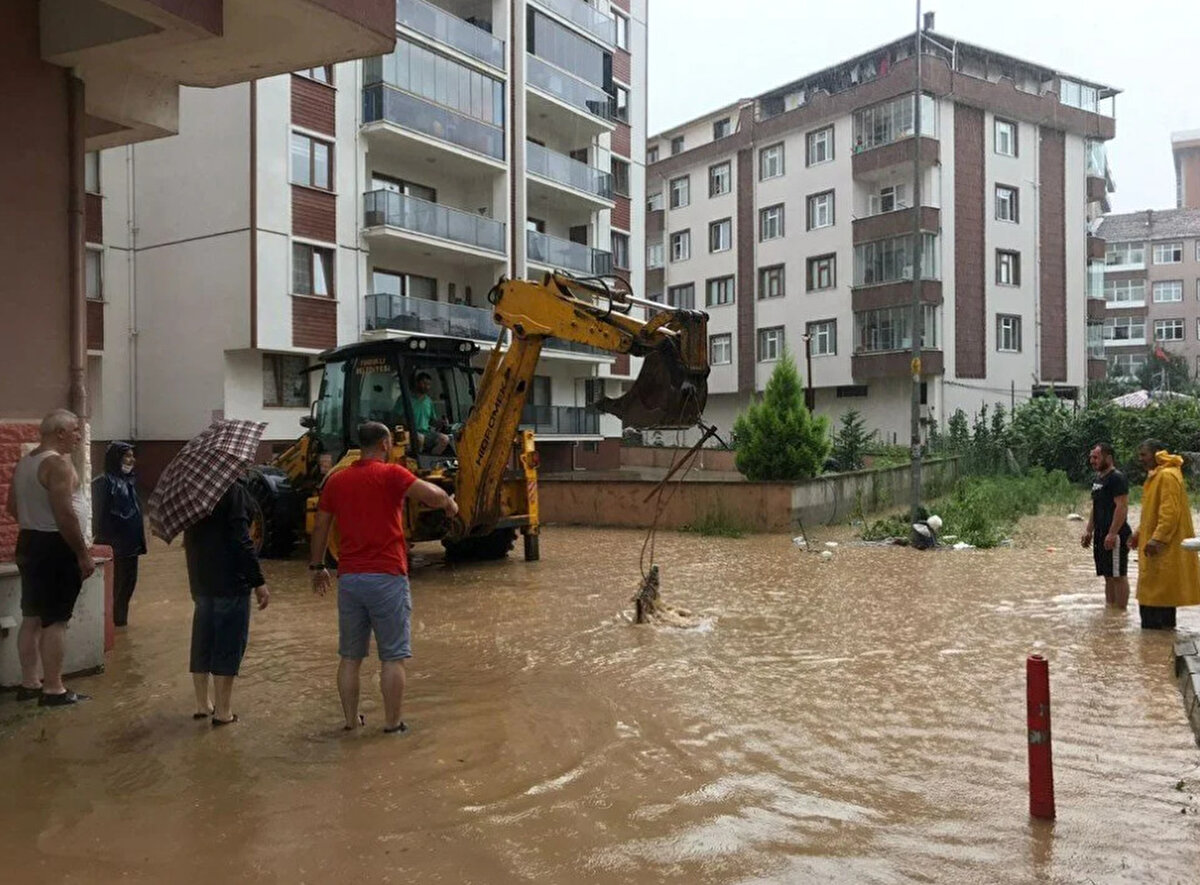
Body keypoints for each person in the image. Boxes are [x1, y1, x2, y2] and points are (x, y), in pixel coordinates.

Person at [309, 421, 458, 734]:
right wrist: (448, 502)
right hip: (387, 576)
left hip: (350, 579)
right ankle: (392, 724)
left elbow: (321, 526)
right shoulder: (392, 474)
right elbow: (430, 495)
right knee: (392, 657)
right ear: (386, 444)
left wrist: (316, 566)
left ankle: (351, 722)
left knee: (350, 657)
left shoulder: (337, 480)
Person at [5, 409, 96, 706]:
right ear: (60, 433)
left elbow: (12, 508)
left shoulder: (25, 463)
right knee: (56, 620)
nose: (79, 436)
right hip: (54, 547)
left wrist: (35, 522)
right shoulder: (57, 465)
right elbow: (65, 514)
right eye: (75, 431)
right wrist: (82, 553)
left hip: (28, 542)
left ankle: (29, 683)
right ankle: (54, 688)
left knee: (31, 616)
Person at [183, 477, 269, 724]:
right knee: (228, 644)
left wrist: (194, 582)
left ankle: (202, 703)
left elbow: (189, 542)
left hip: (202, 582)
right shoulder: (234, 492)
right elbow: (242, 540)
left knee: (203, 640)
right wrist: (258, 581)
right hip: (230, 583)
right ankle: (223, 711)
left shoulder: (194, 492)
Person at [1128, 440, 1200, 630]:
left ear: (1156, 454)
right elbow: (1151, 513)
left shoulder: (1167, 476)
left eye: (1144, 454)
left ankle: (1156, 653)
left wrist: (1157, 539)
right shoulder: (1158, 476)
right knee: (1158, 601)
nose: (1140, 459)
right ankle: (1158, 651)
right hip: (1156, 550)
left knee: (1158, 607)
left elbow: (1169, 514)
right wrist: (1138, 533)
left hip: (1162, 550)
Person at [92, 442, 147, 626]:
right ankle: (110, 623)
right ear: (116, 458)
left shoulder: (129, 481)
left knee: (128, 585)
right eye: (127, 456)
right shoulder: (103, 482)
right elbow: (98, 514)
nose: (132, 460)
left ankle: (120, 621)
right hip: (114, 545)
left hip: (132, 545)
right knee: (115, 586)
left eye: (132, 456)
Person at [1081, 442, 1131, 609]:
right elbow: (1096, 507)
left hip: (1115, 535)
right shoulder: (1097, 479)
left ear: (1108, 458)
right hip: (1101, 534)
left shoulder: (1117, 478)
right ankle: (1111, 612)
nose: (1092, 461)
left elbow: (1122, 506)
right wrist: (1089, 531)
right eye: (1091, 457)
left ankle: (1121, 614)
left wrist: (1112, 533)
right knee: (1108, 576)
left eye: (1096, 457)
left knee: (1118, 575)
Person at [411, 372, 449, 455]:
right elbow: (397, 417)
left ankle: (432, 462)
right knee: (420, 439)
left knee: (444, 439)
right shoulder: (407, 399)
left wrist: (441, 423)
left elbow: (431, 421)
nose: (427, 387)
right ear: (417, 383)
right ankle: (417, 462)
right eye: (424, 383)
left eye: (428, 384)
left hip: (426, 433)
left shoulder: (428, 401)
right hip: (412, 432)